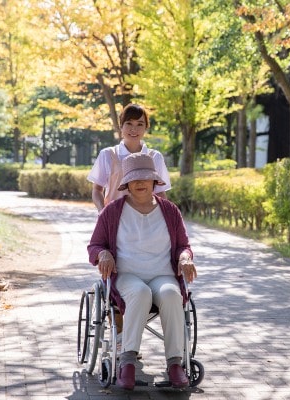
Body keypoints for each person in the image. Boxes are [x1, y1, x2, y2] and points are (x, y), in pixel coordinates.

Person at [87, 152, 197, 390]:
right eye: (134, 179)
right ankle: (126, 362)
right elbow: (95, 245)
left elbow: (183, 246)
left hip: (163, 275)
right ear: (125, 183)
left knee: (171, 294)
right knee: (140, 293)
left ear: (155, 182)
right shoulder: (112, 211)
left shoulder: (170, 211)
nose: (140, 183)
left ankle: (175, 363)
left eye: (145, 178)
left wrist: (185, 258)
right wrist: (103, 254)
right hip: (127, 276)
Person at [87, 103, 171, 212]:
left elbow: (160, 193)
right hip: (115, 218)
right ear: (121, 126)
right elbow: (97, 189)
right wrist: (102, 212)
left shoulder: (155, 157)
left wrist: (165, 218)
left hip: (146, 220)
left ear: (146, 127)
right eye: (129, 123)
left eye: (140, 124)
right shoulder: (108, 155)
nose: (134, 129)